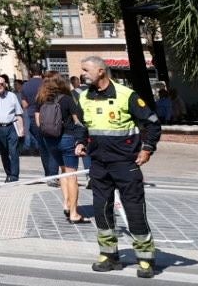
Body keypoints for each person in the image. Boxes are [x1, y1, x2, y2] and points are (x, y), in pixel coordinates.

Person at [76, 55, 162, 277]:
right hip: (98, 164)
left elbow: (152, 124)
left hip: (125, 163)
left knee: (134, 209)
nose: (82, 74)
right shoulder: (84, 98)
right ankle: (109, 256)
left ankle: (145, 259)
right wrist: (79, 142)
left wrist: (147, 149)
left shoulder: (126, 95)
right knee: (101, 210)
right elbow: (81, 125)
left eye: (86, 70)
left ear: (101, 72)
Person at [37, 71, 89, 223]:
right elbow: (78, 121)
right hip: (67, 138)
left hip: (50, 140)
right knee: (72, 174)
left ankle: (66, 203)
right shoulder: (67, 99)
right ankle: (74, 213)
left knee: (63, 172)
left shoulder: (42, 100)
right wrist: (81, 139)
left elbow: (39, 122)